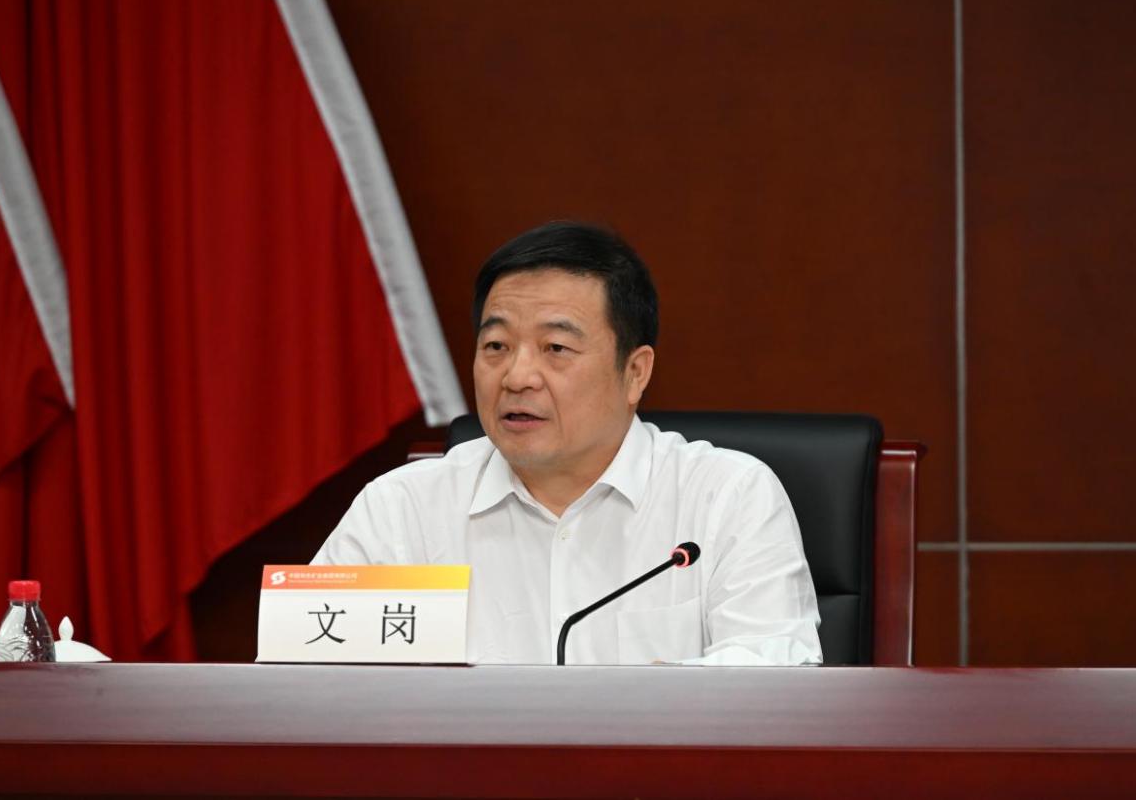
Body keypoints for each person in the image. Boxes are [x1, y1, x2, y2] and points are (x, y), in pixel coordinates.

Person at [312, 221, 822, 665]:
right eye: (496, 346)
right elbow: (312, 674)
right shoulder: (401, 509)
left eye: (556, 348)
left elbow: (773, 677)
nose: (517, 377)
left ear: (635, 372)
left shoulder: (726, 498)